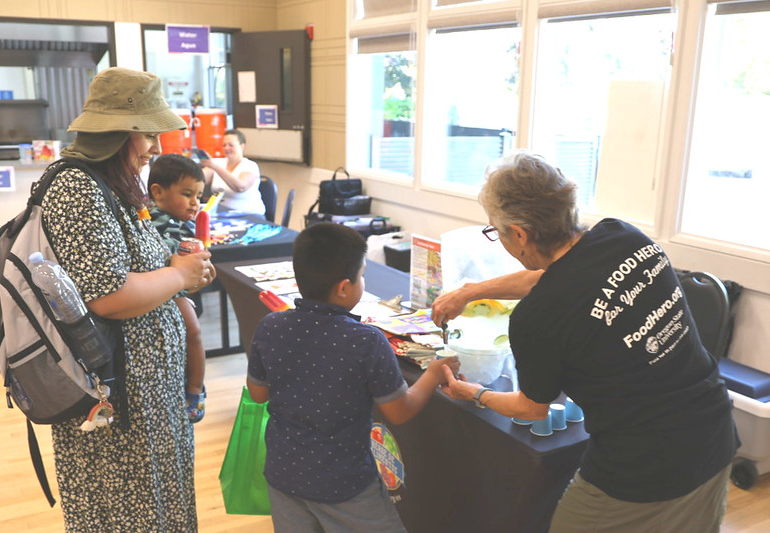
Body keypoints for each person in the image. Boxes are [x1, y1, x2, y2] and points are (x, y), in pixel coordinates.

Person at [431, 151, 739, 533]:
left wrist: (475, 394)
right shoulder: (623, 236)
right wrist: (471, 291)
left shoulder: (537, 319)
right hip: (714, 428)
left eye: (497, 232)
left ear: (520, 234)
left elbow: (531, 409)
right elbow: (551, 277)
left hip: (645, 465)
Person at [45, 67, 216, 531]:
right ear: (118, 132)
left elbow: (143, 266)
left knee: (159, 503)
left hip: (146, 388)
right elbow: (109, 296)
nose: (156, 148)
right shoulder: (77, 188)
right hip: (119, 396)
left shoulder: (113, 183)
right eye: (148, 134)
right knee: (127, 511)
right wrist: (178, 277)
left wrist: (181, 267)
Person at [246, 222, 460, 533]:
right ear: (344, 287)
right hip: (344, 484)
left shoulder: (270, 326)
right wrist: (433, 372)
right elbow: (400, 411)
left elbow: (258, 394)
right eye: (361, 276)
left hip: (283, 474)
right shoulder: (366, 341)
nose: (362, 283)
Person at [147, 153, 208, 423]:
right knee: (193, 331)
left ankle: (194, 387)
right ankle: (194, 387)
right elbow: (169, 256)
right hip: (163, 290)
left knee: (192, 332)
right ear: (158, 192)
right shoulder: (157, 220)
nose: (195, 203)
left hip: (175, 289)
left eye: (199, 196)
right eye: (187, 194)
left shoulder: (180, 221)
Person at [200, 128, 264, 215]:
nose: (226, 148)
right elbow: (198, 179)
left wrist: (215, 167)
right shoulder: (217, 162)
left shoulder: (250, 166)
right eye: (224, 145)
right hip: (221, 213)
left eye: (231, 145)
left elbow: (240, 187)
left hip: (249, 214)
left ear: (242, 146)